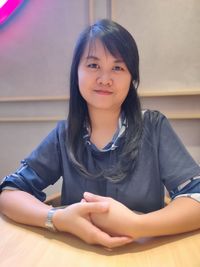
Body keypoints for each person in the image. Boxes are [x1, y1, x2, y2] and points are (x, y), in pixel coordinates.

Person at [0, 19, 200, 249]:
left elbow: (196, 197)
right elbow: (10, 192)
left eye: (117, 67)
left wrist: (137, 225)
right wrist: (57, 219)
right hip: (76, 256)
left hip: (142, 254)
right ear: (77, 72)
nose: (105, 79)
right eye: (93, 65)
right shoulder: (63, 134)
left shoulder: (154, 126)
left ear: (132, 78)